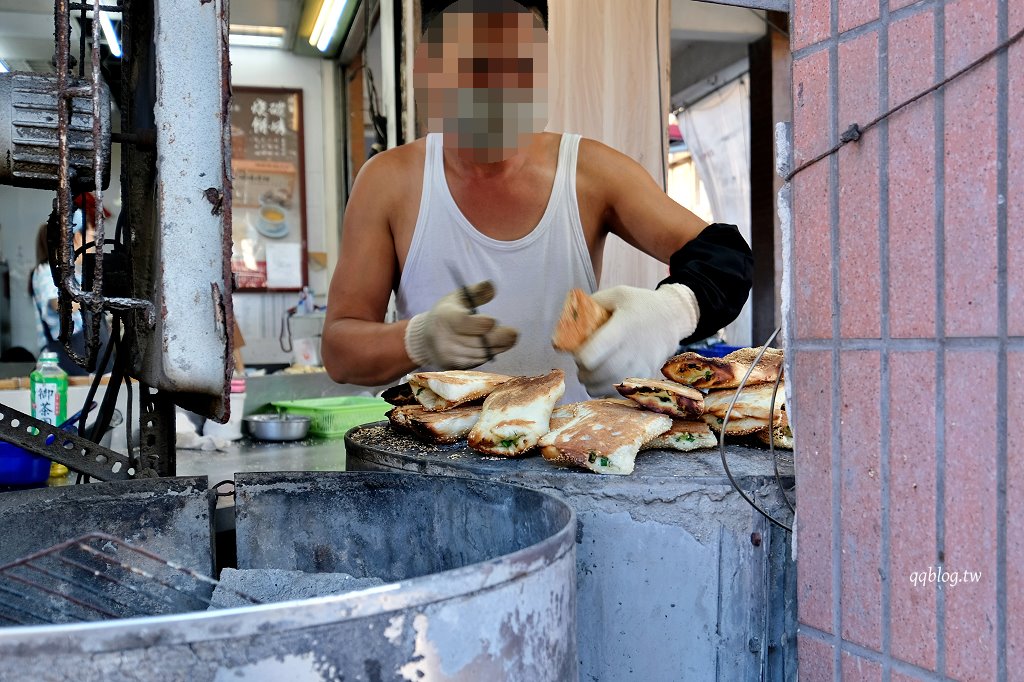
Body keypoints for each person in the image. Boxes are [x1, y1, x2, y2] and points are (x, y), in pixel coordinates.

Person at [323, 0, 752, 401]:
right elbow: (341, 349)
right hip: (433, 462)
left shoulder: (590, 173)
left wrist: (670, 310)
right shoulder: (390, 182)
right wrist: (417, 339)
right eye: (474, 68)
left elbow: (726, 257)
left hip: (566, 459)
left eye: (520, 69)